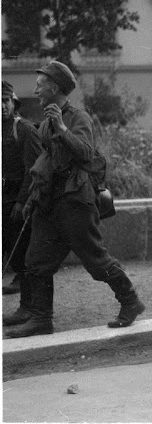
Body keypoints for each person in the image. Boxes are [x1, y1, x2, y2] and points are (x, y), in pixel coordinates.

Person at [6, 61, 146, 338]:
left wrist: (62, 128)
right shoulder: (45, 123)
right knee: (36, 261)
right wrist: (33, 200)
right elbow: (45, 164)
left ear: (54, 88)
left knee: (96, 261)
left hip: (75, 201)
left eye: (41, 83)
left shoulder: (79, 118)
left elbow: (85, 154)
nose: (36, 88)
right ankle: (41, 318)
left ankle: (131, 302)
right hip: (50, 201)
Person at [2, 81, 42, 326]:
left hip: (17, 202)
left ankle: (28, 309)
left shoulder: (23, 129)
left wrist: (21, 202)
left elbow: (33, 169)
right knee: (13, 257)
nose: (1, 107)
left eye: (5, 101)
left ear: (13, 103)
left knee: (23, 257)